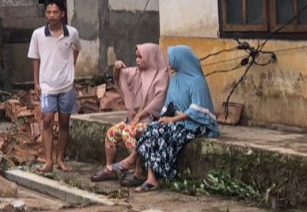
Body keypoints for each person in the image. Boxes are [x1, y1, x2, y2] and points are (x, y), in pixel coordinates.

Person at [131, 45, 220, 191]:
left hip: (197, 124)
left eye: (171, 58)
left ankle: (136, 163)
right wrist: (164, 118)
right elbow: (169, 104)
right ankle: (149, 176)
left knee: (167, 134)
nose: (168, 61)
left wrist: (172, 120)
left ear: (181, 59)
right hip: (179, 122)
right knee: (152, 129)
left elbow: (196, 110)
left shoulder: (197, 81)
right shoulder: (176, 79)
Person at [91, 43, 169, 182]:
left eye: (141, 57)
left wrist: (139, 115)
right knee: (111, 133)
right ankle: (110, 169)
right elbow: (120, 77)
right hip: (135, 119)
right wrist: (116, 68)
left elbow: (158, 102)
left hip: (152, 120)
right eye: (136, 57)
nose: (137, 60)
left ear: (150, 57)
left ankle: (138, 170)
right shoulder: (137, 72)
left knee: (128, 132)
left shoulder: (161, 77)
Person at [28, 0, 80, 172]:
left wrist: (71, 65)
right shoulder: (38, 34)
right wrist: (36, 82)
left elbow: (77, 48)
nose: (51, 15)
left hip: (66, 86)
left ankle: (60, 160)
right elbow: (35, 58)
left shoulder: (72, 33)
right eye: (48, 12)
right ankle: (48, 161)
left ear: (62, 14)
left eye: (55, 12)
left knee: (64, 122)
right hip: (47, 86)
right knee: (47, 120)